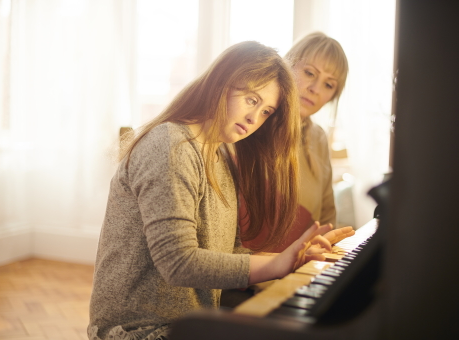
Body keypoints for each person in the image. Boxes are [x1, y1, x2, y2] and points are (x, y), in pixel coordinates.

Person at [87, 41, 333, 340]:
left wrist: (293, 258)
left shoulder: (221, 156)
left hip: (191, 325)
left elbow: (226, 252)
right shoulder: (170, 145)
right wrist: (275, 265)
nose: (255, 118)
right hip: (140, 331)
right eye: (251, 100)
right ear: (221, 84)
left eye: (267, 111)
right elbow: (178, 263)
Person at [240, 32, 355, 254]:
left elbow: (327, 220)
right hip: (246, 278)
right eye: (310, 73)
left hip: (300, 277)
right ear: (287, 66)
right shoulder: (250, 122)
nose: (316, 88)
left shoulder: (319, 139)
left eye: (329, 85)